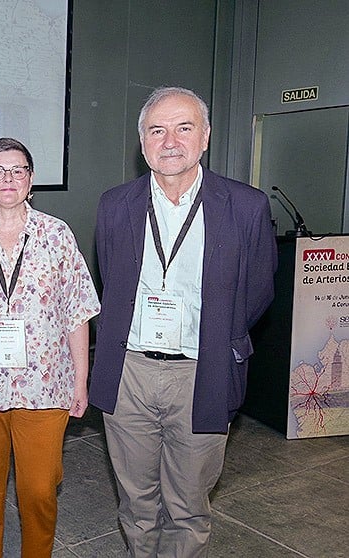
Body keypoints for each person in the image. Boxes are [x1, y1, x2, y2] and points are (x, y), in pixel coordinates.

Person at [90, 87, 276, 557]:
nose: (169, 140)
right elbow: (110, 277)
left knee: (189, 507)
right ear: (142, 142)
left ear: (206, 136)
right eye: (157, 130)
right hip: (130, 372)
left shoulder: (247, 207)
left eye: (183, 127)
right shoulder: (115, 205)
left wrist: (215, 336)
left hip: (203, 372)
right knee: (136, 503)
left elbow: (257, 292)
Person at [0, 138, 99, 557]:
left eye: (17, 170)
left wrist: (80, 381)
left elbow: (77, 311)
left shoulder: (56, 235)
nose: (7, 179)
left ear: (31, 180)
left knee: (39, 492)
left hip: (45, 388)